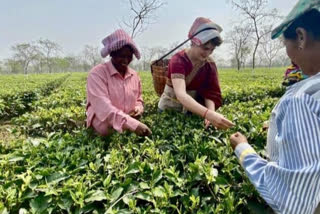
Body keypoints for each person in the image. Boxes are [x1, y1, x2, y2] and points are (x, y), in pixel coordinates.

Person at [229, 1, 320, 213]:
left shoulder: (301, 99)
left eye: (284, 44)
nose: (289, 55)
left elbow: (295, 197)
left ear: (300, 36)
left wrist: (243, 150)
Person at [158, 17, 234, 130]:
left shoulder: (209, 64)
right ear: (194, 42)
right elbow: (181, 94)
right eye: (205, 48)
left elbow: (210, 92)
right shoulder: (178, 60)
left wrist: (210, 115)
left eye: (212, 50)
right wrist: (209, 114)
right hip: (169, 109)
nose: (207, 53)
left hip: (192, 111)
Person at [86, 29, 151, 136]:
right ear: (112, 54)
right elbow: (103, 107)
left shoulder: (134, 76)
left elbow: (139, 98)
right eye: (121, 56)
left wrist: (139, 108)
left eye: (129, 56)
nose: (126, 60)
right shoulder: (97, 74)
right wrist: (132, 124)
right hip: (104, 133)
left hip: (129, 129)